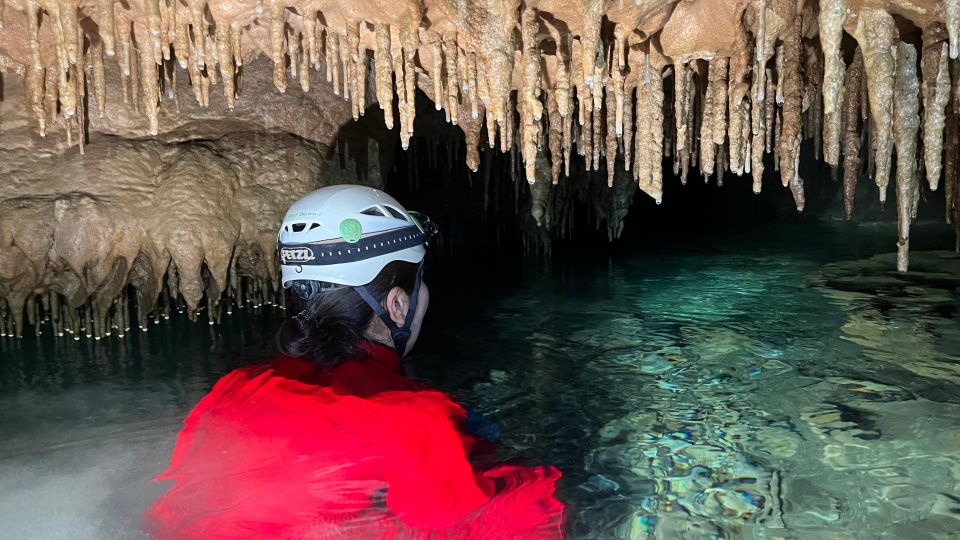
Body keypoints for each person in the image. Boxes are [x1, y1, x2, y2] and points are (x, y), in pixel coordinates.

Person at [144, 185, 565, 539]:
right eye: (419, 285)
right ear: (397, 305)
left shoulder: (233, 387)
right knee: (533, 498)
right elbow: (459, 519)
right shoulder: (413, 416)